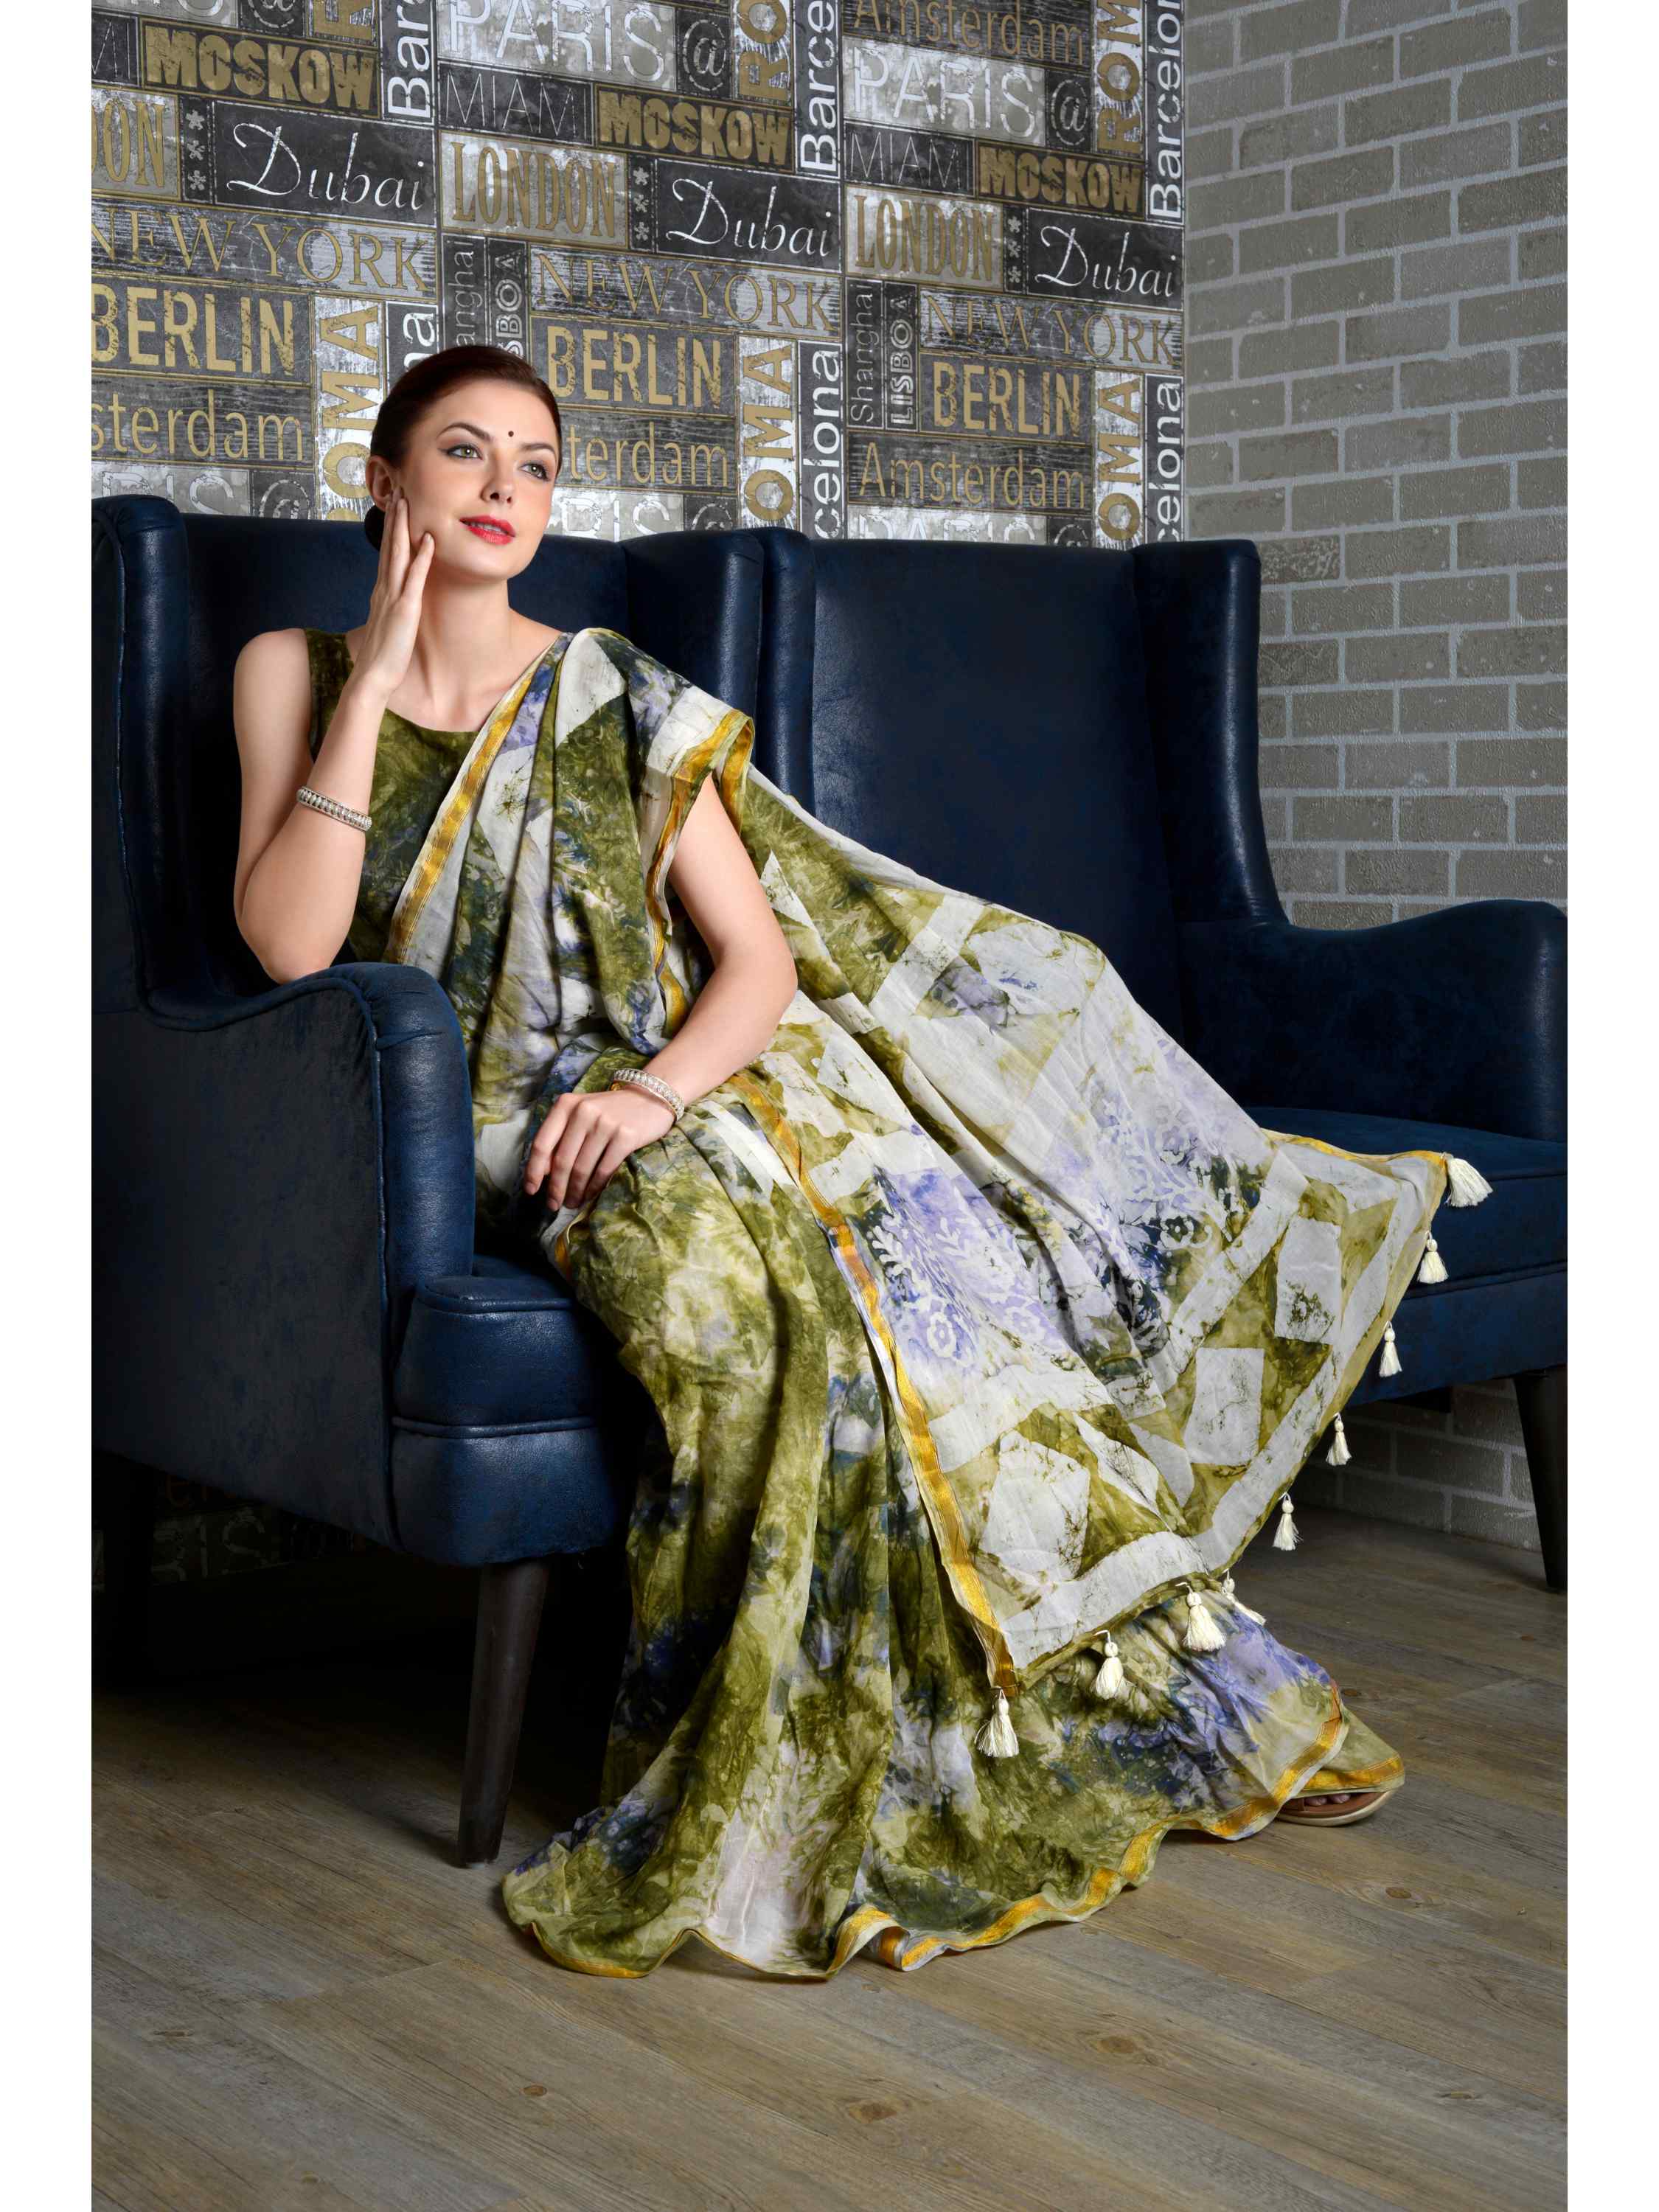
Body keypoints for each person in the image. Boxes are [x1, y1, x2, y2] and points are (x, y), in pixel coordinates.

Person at [232, 345, 1492, 1980]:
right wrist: (374, 682)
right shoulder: (292, 670)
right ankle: (772, 1757)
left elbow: (753, 962)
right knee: (728, 1318)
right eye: (463, 453)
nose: (502, 489)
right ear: (384, 480)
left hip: (680, 1089)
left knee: (913, 1286)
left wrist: (657, 1098)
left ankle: (1011, 1706)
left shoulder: (613, 690)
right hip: (471, 1124)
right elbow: (289, 949)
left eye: (534, 463)